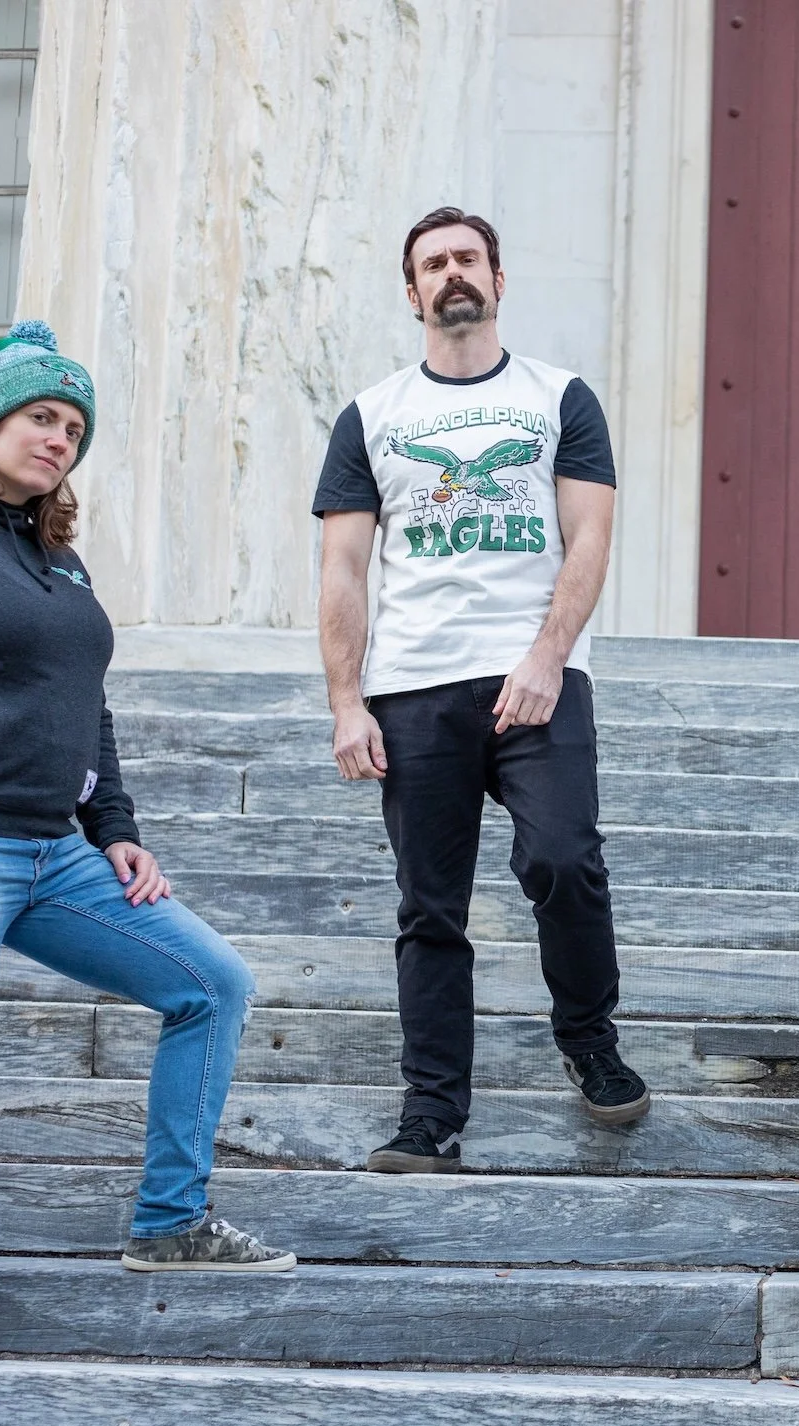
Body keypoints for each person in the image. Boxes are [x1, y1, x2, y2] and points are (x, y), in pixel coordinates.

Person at [0, 321, 293, 1371]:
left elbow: (89, 707)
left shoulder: (57, 561)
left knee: (210, 982)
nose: (59, 440)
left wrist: (116, 831)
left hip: (55, 853)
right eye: (42, 416)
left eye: (75, 427)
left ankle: (170, 1221)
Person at [313, 206, 646, 1174]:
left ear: (499, 280)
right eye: (433, 264)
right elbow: (342, 566)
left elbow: (589, 536)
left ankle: (588, 1037)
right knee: (430, 906)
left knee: (563, 860)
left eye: (469, 259)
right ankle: (431, 1114)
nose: (453, 274)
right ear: (411, 292)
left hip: (533, 674)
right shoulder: (372, 416)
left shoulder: (559, 397)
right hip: (413, 682)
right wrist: (345, 700)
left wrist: (545, 654)